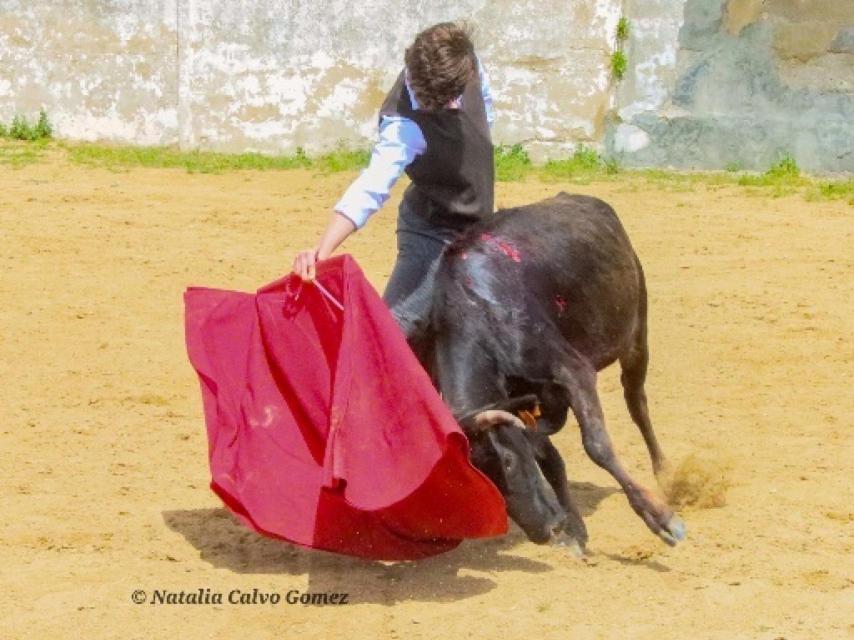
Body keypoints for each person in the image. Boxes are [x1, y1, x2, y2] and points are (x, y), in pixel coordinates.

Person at [292, 21, 495, 312]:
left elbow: (484, 101)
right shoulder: (403, 126)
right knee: (396, 331)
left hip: (480, 227)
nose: (454, 107)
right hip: (431, 231)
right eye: (445, 102)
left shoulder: (465, 64)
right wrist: (321, 252)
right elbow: (371, 185)